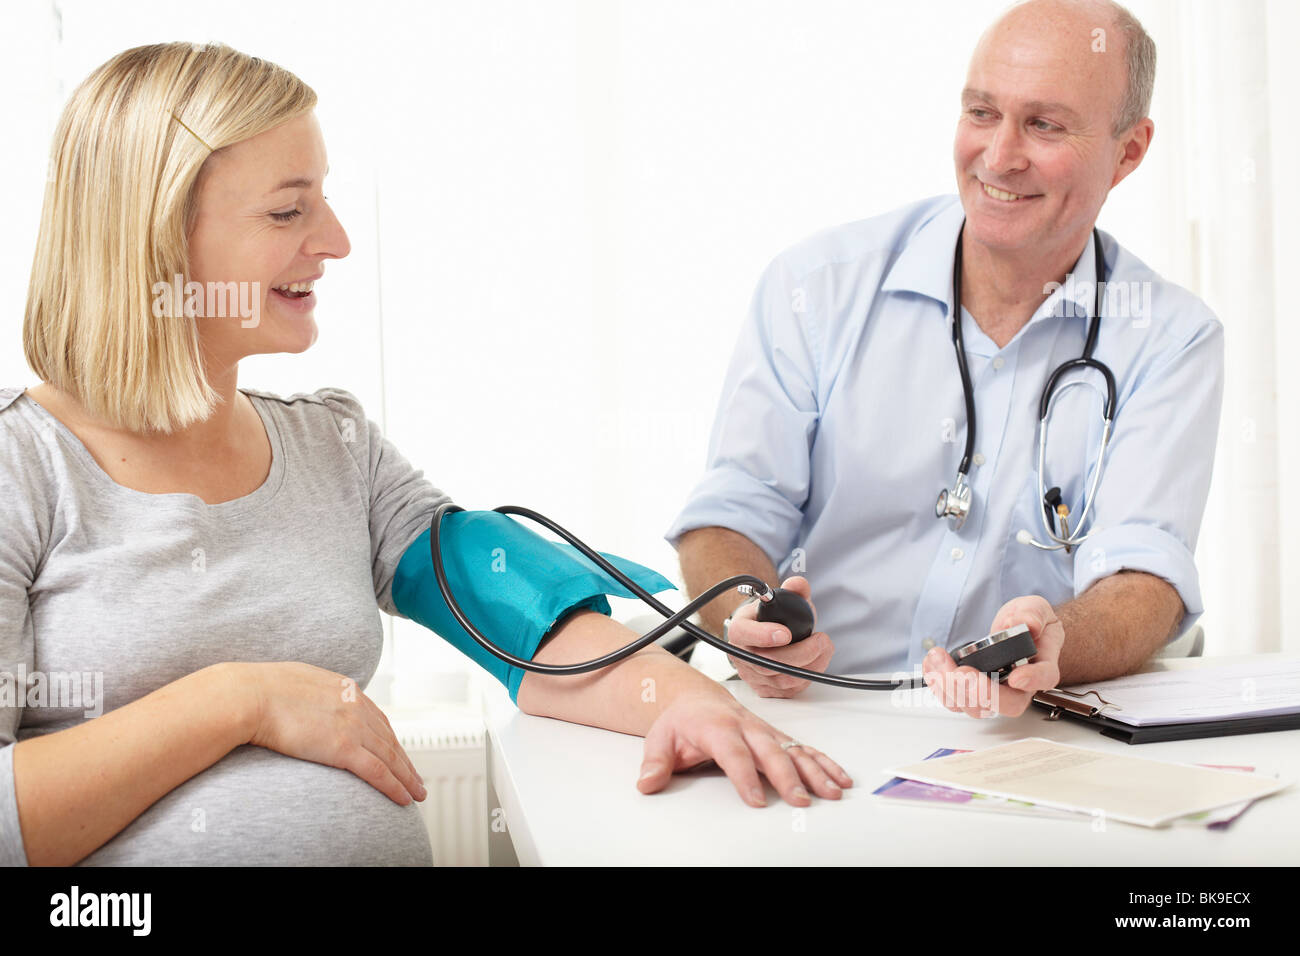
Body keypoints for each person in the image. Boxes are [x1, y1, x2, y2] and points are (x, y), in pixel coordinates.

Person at [0, 42, 852, 867]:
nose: (333, 241)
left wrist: (697, 705)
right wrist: (237, 701)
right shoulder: (22, 468)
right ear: (152, 238)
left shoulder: (333, 446)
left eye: (324, 201)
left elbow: (521, 621)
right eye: (287, 210)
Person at [667, 0, 1224, 718]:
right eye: (982, 113)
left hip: (1020, 741)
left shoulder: (1170, 337)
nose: (999, 157)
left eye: (1045, 124)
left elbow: (1144, 576)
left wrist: (1057, 639)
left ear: (1129, 151)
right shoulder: (816, 287)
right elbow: (734, 509)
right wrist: (749, 617)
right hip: (812, 718)